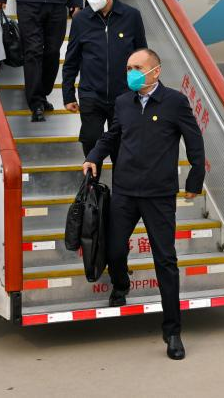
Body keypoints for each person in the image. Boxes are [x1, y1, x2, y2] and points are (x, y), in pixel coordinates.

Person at [82, 48, 206, 361]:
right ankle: (121, 284)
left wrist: (194, 181)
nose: (131, 73)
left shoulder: (175, 102)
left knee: (165, 260)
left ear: (155, 72)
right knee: (113, 248)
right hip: (124, 190)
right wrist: (94, 157)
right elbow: (113, 136)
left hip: (159, 195)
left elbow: (194, 141)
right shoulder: (123, 102)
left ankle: (173, 330)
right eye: (128, 67)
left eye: (137, 67)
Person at [62, 0, 146, 175]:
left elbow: (142, 56)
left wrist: (143, 89)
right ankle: (91, 189)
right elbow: (71, 59)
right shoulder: (81, 20)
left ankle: (121, 195)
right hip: (92, 94)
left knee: (121, 146)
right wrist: (68, 94)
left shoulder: (131, 16)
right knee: (91, 141)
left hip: (124, 95)